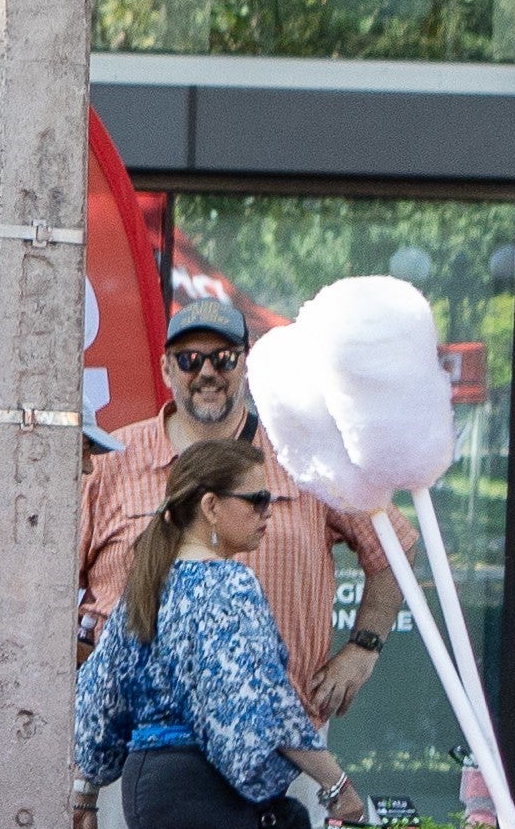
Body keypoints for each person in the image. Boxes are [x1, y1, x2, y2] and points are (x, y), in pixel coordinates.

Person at [76, 299, 400, 729]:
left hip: (278, 741)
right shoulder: (108, 463)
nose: (207, 372)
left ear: (245, 365)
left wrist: (363, 649)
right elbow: (40, 592)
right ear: (165, 369)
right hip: (136, 744)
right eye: (189, 359)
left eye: (223, 358)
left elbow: (394, 549)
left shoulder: (301, 455)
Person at [76, 440, 352, 829]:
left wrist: (86, 794)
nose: (268, 511)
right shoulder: (230, 585)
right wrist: (337, 784)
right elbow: (268, 705)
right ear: (210, 507)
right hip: (206, 791)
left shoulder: (146, 587)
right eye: (257, 500)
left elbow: (99, 698)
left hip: (147, 791)